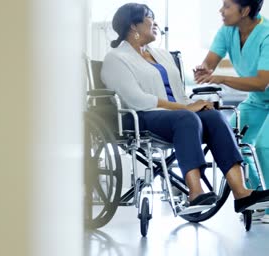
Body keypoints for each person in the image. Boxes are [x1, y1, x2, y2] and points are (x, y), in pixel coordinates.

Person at [101, 2, 269, 213]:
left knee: (214, 116)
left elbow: (180, 92)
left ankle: (241, 193)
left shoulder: (161, 55)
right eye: (149, 17)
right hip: (142, 115)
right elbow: (136, 99)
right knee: (186, 118)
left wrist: (194, 105)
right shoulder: (116, 58)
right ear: (133, 25)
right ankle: (195, 193)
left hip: (176, 114)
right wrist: (185, 108)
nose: (155, 22)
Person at [194, 0, 269, 222]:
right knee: (231, 141)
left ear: (245, 11)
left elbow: (261, 82)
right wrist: (204, 69)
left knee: (264, 146)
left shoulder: (266, 35)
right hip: (257, 101)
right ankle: (257, 199)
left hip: (260, 90)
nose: (221, 11)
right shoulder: (227, 31)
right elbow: (209, 63)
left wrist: (221, 77)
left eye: (227, 6)